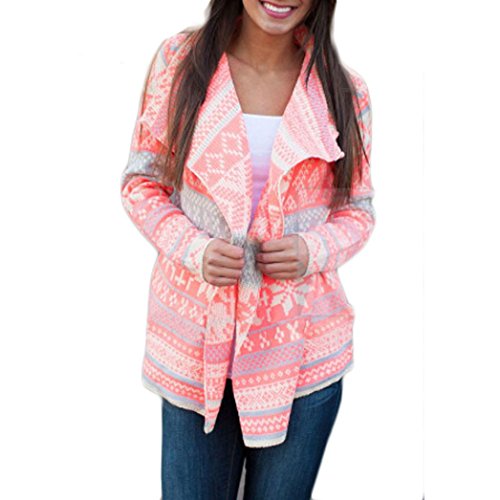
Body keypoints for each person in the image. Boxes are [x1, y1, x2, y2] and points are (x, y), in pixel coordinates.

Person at [120, 1, 375, 498]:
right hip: (196, 350)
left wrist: (313, 249)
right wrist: (193, 248)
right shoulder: (181, 63)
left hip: (302, 352)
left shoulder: (344, 91)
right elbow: (140, 182)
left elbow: (358, 209)